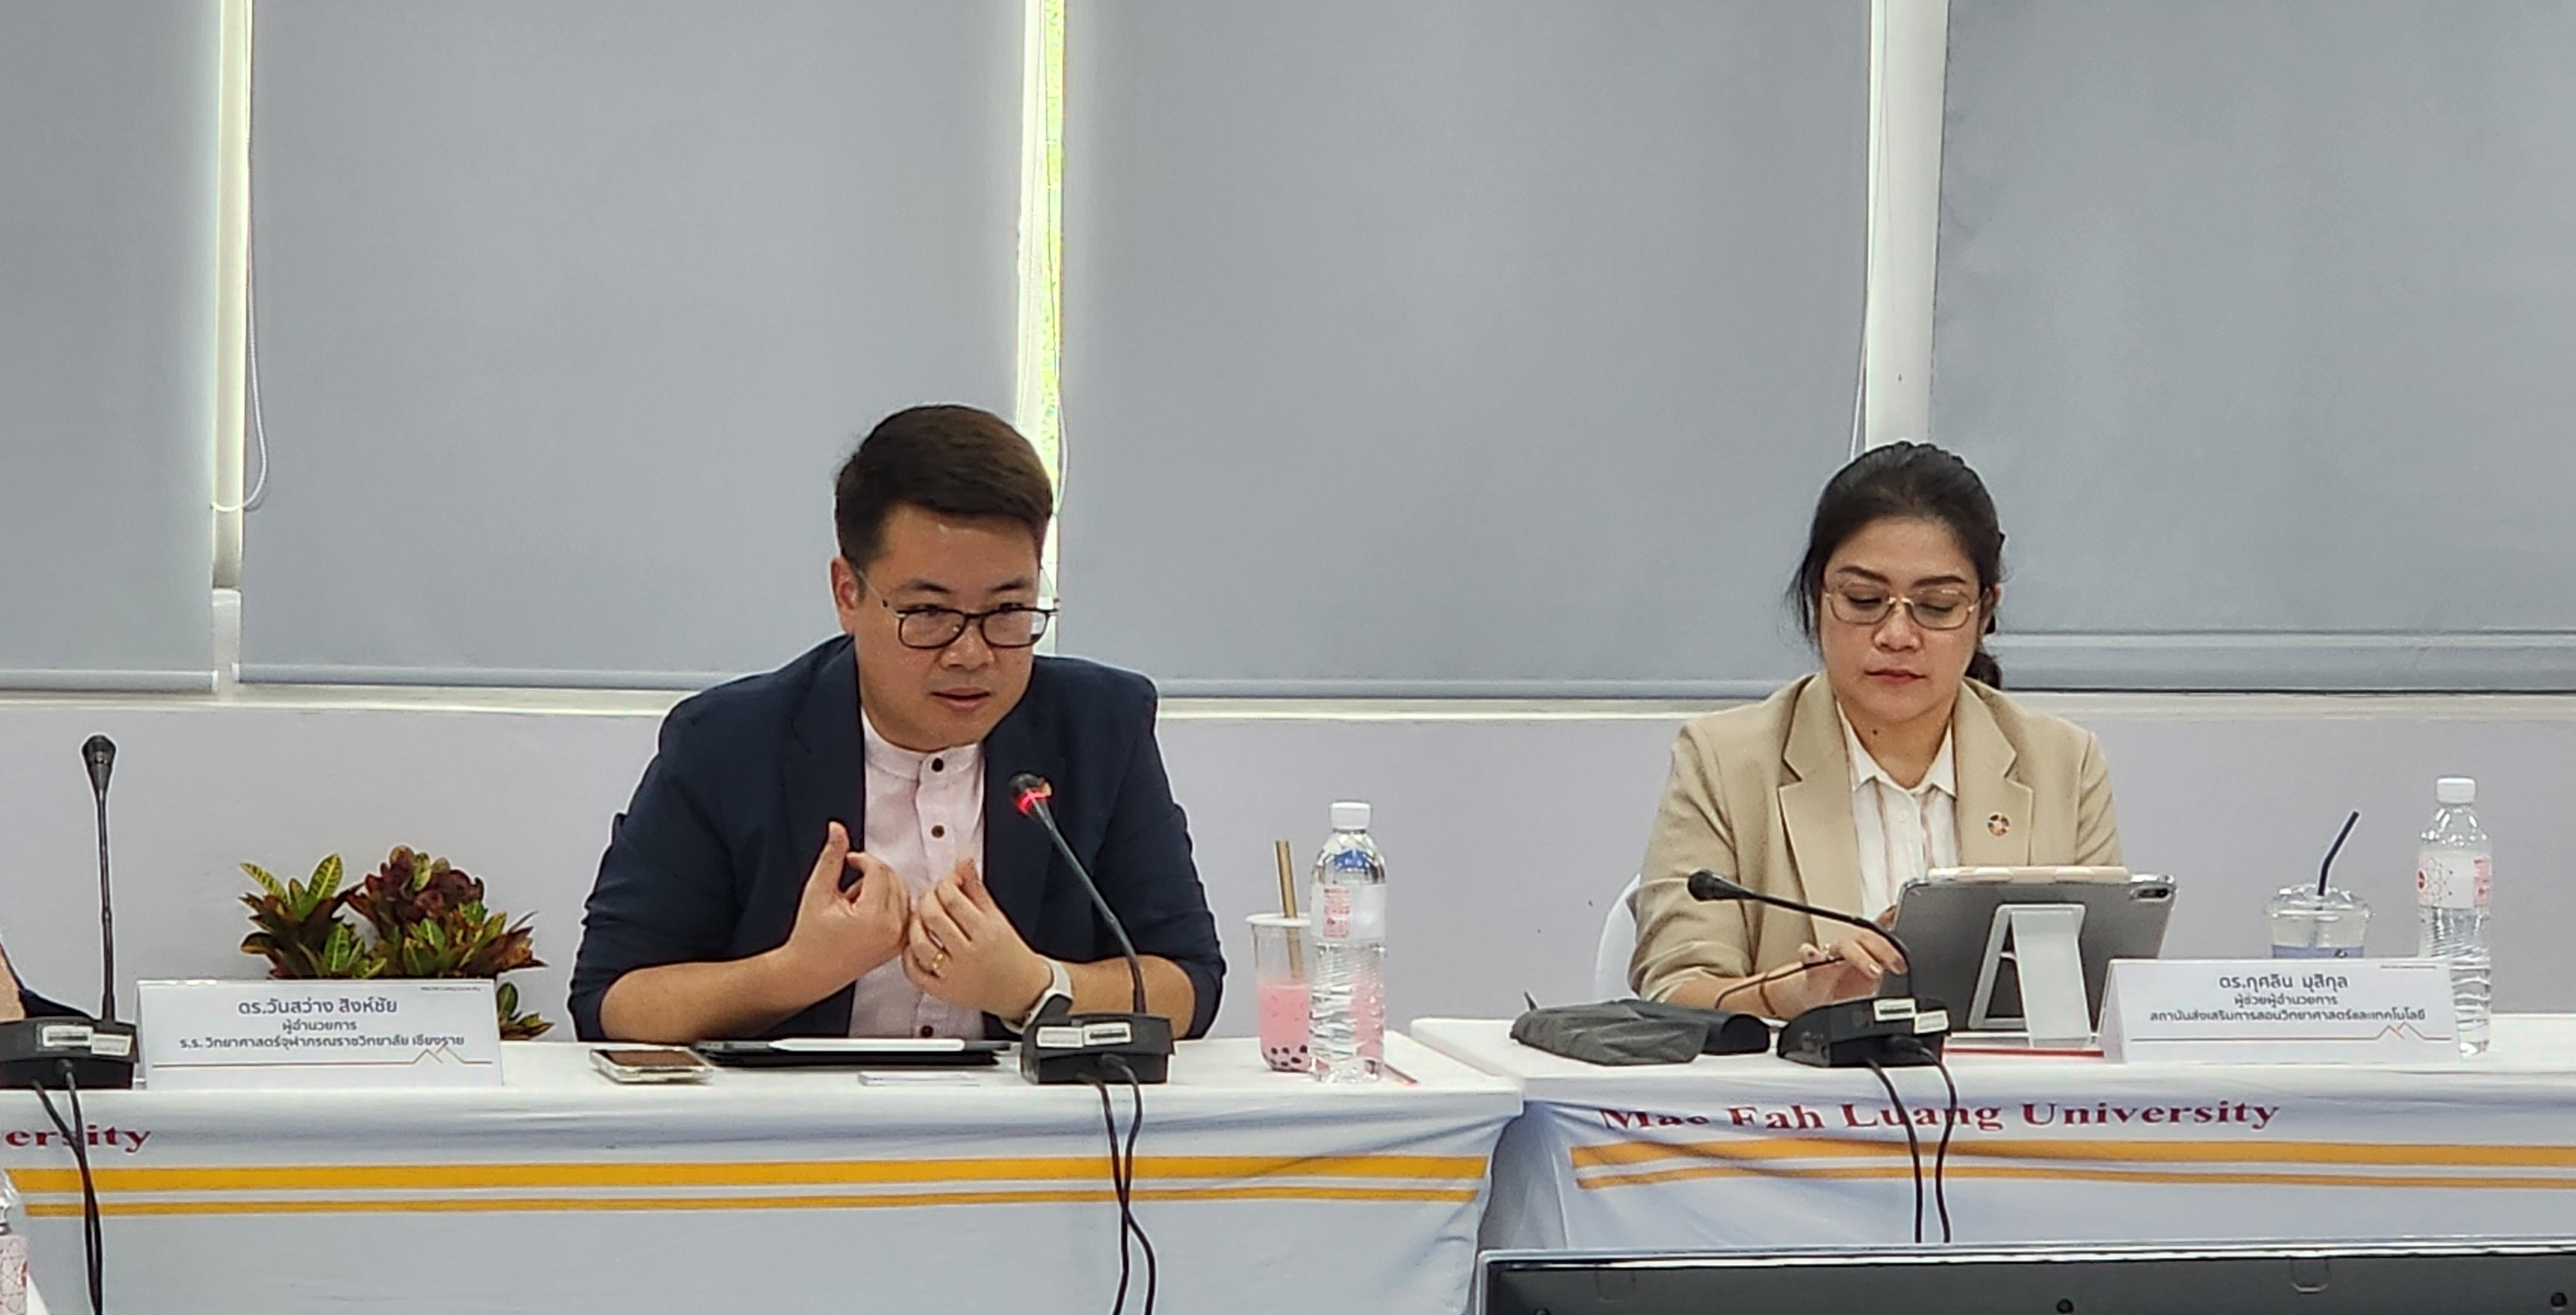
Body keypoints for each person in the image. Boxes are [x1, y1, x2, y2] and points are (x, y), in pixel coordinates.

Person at [571, 405, 1224, 1043]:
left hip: (1029, 1116)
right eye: (929, 613)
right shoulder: (727, 743)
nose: (971, 653)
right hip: (799, 1116)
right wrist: (793, 973)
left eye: (1008, 610)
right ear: (848, 594)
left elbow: (1187, 983)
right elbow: (614, 1003)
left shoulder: (1100, 728)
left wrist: (1034, 987)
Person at [1628, 442, 2121, 1017]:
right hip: (1801, 1079)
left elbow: (2103, 993)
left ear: (1984, 611)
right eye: (1864, 600)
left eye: (1936, 606)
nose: (1896, 635)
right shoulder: (1724, 761)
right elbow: (1676, 988)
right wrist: (1793, 994)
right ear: (1817, 597)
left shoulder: (2063, 763)